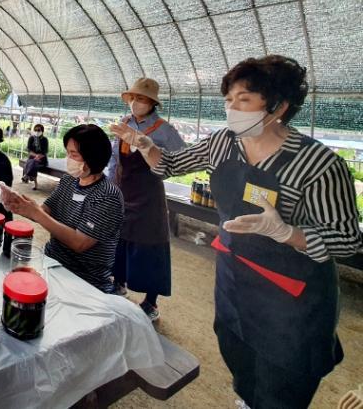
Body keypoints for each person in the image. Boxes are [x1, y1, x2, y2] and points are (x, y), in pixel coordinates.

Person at [112, 55, 362, 408]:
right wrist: (145, 144)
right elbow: (171, 164)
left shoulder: (318, 164)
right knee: (239, 360)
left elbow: (347, 238)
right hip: (234, 278)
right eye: (228, 100)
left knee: (282, 384)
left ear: (279, 104)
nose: (232, 109)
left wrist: (287, 232)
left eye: (243, 100)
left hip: (292, 299)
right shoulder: (223, 142)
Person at [5, 125, 125, 293]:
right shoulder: (69, 181)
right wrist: (21, 204)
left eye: (73, 154)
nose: (68, 159)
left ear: (92, 157)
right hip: (53, 262)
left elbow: (79, 243)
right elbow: (45, 211)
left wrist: (36, 213)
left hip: (84, 279)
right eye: (68, 153)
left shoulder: (107, 195)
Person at [107, 78, 185, 322]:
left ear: (152, 102)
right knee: (119, 239)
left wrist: (149, 149)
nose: (135, 103)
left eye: (140, 98)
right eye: (132, 97)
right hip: (123, 189)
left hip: (148, 196)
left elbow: (180, 161)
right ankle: (117, 283)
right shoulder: (124, 123)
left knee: (150, 245)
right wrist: (110, 185)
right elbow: (114, 159)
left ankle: (151, 303)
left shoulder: (163, 130)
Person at [22, 124, 49, 190]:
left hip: (42, 159)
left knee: (32, 162)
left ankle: (26, 175)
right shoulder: (31, 138)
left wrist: (39, 156)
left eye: (38, 130)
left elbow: (45, 152)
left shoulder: (45, 139)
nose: (37, 131)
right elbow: (29, 150)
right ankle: (35, 184)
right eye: (35, 130)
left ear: (42, 131)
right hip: (32, 157)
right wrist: (36, 155)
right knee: (33, 163)